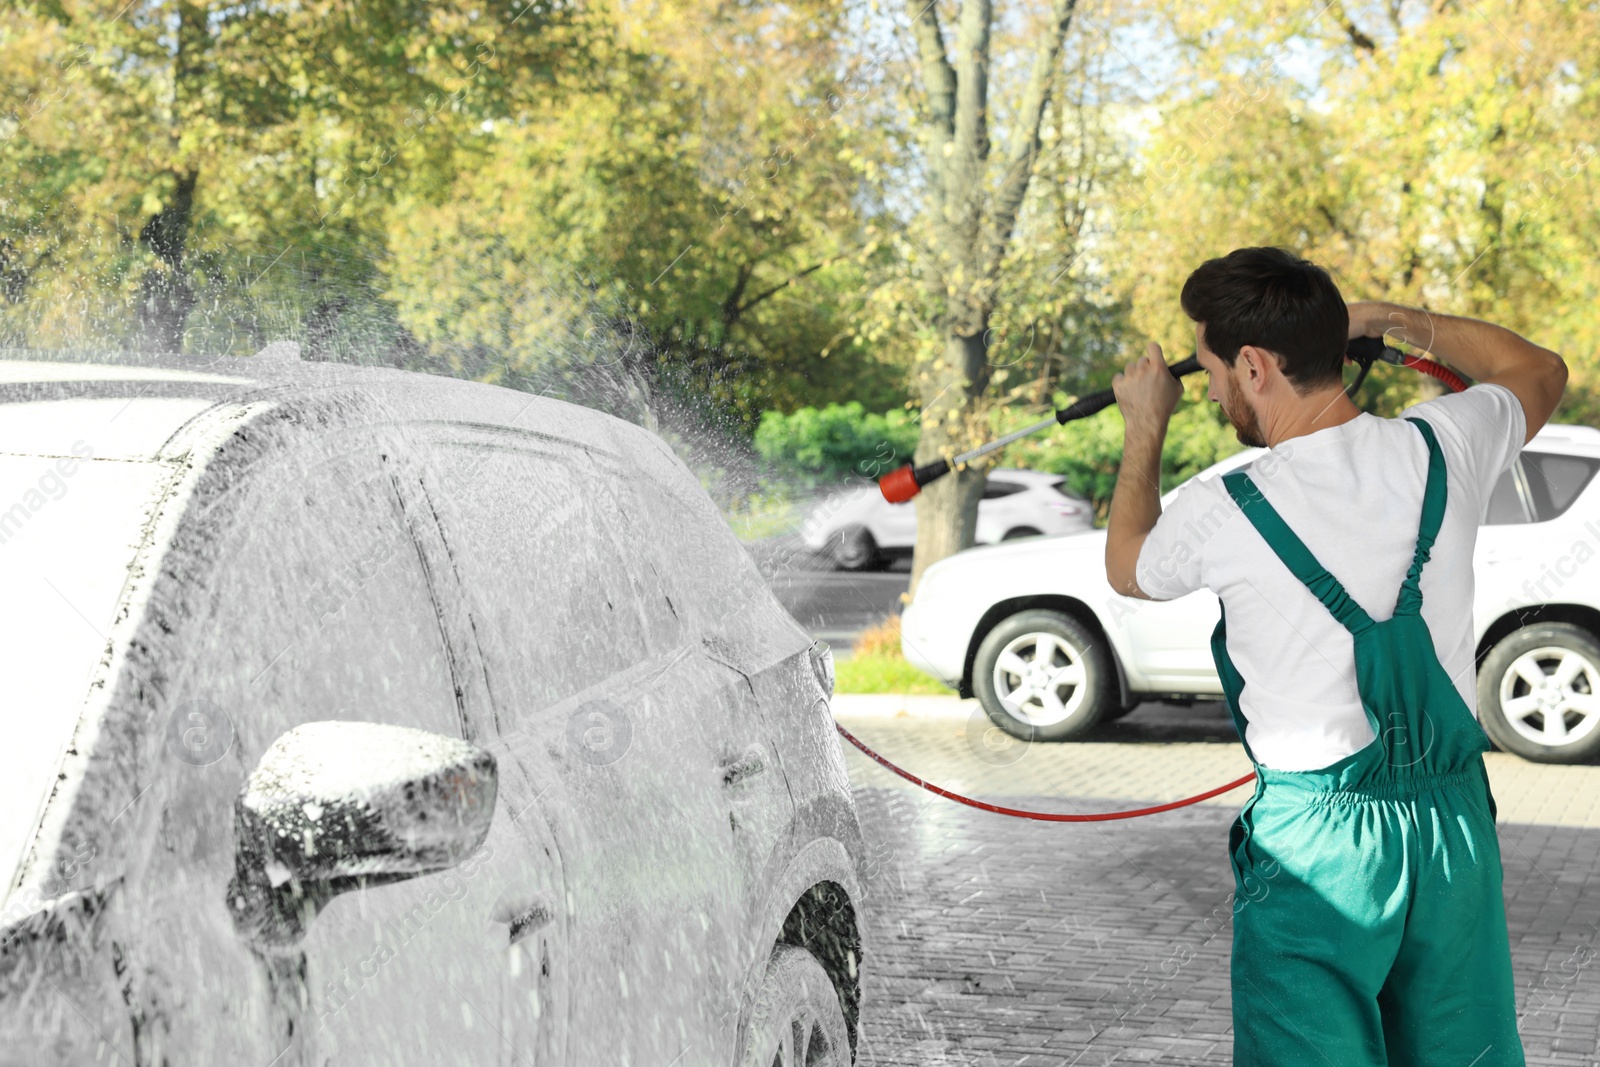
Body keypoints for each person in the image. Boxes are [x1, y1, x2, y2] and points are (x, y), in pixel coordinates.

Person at [1103, 246, 1567, 1067]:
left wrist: (1145, 422)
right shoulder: (1444, 446)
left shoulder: (1223, 507)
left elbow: (1128, 565)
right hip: (1453, 833)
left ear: (1253, 365)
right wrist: (1389, 319)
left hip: (1317, 845)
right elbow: (1537, 368)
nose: (1210, 393)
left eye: (1211, 371)